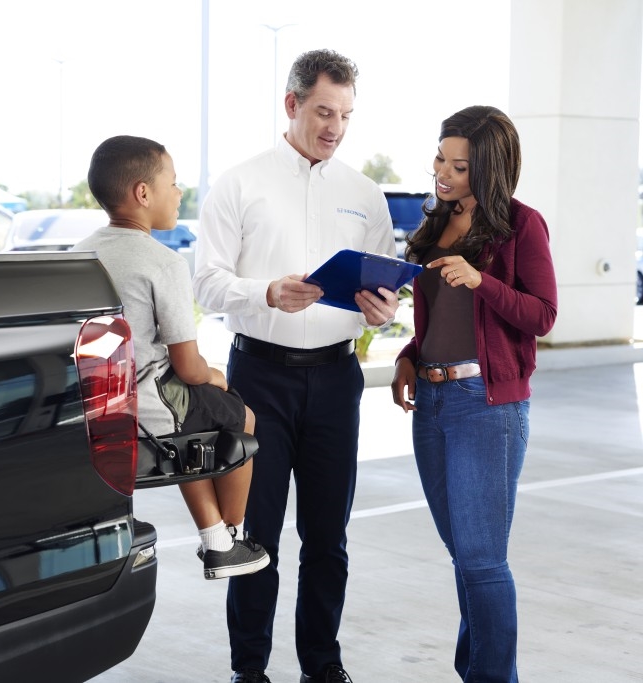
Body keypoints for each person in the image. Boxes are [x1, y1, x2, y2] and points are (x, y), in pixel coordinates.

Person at [192, 49, 398, 683]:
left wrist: (380, 311)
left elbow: (386, 290)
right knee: (256, 534)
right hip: (259, 377)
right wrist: (265, 293)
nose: (335, 127)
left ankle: (322, 666)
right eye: (324, 111)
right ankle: (248, 670)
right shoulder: (240, 183)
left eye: (346, 116)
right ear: (292, 104)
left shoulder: (365, 194)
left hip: (337, 380)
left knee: (328, 536)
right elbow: (204, 283)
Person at [390, 106, 557, 682]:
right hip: (431, 402)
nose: (444, 172)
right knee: (463, 555)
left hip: (487, 407)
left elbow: (543, 315)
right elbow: (435, 323)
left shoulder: (521, 225)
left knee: (483, 561)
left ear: (487, 169)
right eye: (441, 158)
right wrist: (409, 358)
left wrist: (482, 280)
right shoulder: (435, 225)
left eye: (460, 167)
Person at [74, 134, 270, 580]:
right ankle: (230, 540)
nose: (179, 193)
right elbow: (187, 365)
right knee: (239, 418)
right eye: (173, 182)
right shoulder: (162, 262)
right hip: (148, 404)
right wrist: (215, 376)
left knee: (195, 422)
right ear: (143, 194)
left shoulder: (79, 253)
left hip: (97, 399)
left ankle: (216, 538)